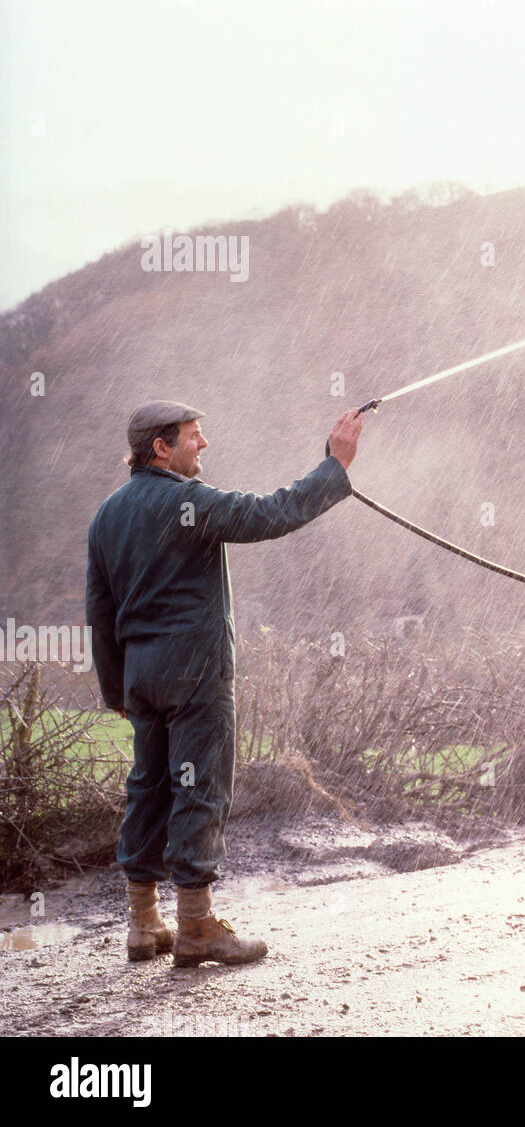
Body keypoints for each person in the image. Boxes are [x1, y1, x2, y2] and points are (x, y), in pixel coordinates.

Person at [85, 399, 365, 966]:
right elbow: (271, 513)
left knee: (150, 788)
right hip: (196, 672)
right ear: (161, 448)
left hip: (142, 677)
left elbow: (99, 611)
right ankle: (196, 928)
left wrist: (118, 692)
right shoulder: (188, 502)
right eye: (193, 436)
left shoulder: (106, 515)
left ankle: (144, 924)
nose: (203, 445)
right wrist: (335, 467)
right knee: (200, 787)